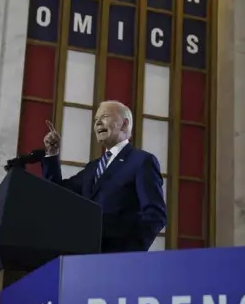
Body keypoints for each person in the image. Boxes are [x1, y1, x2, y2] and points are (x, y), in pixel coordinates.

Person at [42, 100, 167, 253]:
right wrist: (52, 154)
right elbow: (59, 192)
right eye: (95, 120)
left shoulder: (141, 161)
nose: (98, 123)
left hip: (119, 259)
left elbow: (155, 215)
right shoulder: (92, 168)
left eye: (105, 116)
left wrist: (130, 252)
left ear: (125, 124)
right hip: (84, 256)